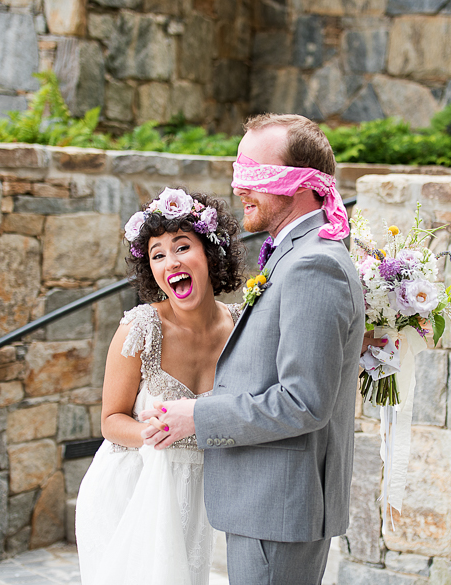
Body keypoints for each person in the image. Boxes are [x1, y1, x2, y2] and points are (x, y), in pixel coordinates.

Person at [142, 114, 367, 584]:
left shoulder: (312, 266)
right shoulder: (294, 255)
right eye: (236, 168)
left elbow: (304, 402)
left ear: (301, 185)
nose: (238, 185)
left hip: (278, 510)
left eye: (253, 173)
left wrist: (197, 417)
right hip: (269, 505)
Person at [75, 187, 246, 585]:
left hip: (206, 498)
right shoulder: (140, 329)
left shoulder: (241, 327)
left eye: (182, 247)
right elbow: (111, 420)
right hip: (133, 492)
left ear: (209, 253)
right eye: (157, 255)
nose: (170, 262)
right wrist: (149, 431)